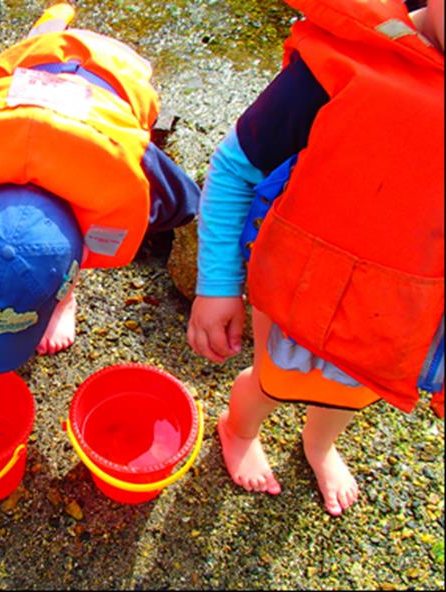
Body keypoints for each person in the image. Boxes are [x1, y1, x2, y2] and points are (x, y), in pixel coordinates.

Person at [187, 0, 444, 516]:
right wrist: (217, 284)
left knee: (350, 395)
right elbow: (237, 167)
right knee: (273, 380)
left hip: (398, 320)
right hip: (302, 289)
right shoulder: (341, 63)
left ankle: (319, 443)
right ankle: (239, 431)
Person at [0, 2, 200, 374]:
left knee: (59, 246)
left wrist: (127, 206)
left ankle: (65, 300)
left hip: (113, 76)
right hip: (28, 71)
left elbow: (185, 202)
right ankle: (54, 17)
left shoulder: (122, 158)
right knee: (40, 41)